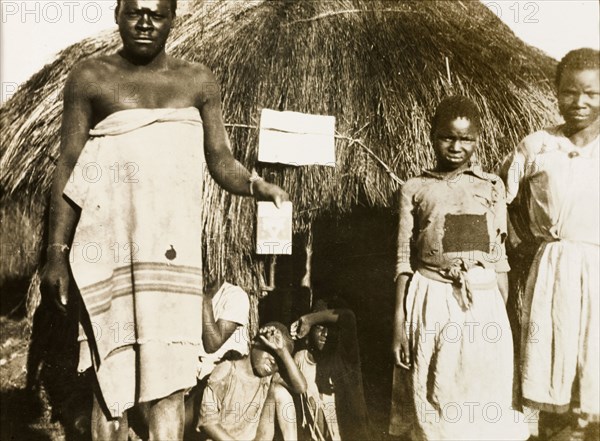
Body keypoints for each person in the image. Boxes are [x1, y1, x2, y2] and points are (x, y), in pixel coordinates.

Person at [39, 0, 288, 439]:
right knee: (108, 378)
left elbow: (220, 159)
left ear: (173, 18)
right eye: (135, 11)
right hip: (110, 254)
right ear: (117, 13)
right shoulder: (91, 78)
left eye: (157, 13)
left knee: (170, 384)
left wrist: (255, 186)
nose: (145, 22)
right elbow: (68, 166)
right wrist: (56, 253)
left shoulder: (197, 81)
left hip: (171, 261)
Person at [390, 96, 529, 440]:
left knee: (481, 390)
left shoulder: (491, 186)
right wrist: (399, 322)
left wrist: (501, 314)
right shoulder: (415, 188)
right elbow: (404, 260)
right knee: (433, 394)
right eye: (447, 137)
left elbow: (498, 258)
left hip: (480, 302)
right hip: (430, 298)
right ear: (432, 136)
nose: (456, 146)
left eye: (465, 138)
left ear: (477, 139)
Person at [501, 48, 599, 440]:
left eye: (592, 93)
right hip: (552, 269)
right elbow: (495, 197)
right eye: (570, 92)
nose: (579, 102)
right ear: (556, 92)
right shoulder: (537, 146)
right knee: (553, 368)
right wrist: (519, 245)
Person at [197, 323, 307, 441]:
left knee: (280, 392)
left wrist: (283, 352)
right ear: (254, 342)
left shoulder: (268, 378)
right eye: (270, 351)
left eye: (279, 359)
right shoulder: (227, 371)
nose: (273, 361)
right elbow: (207, 422)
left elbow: (301, 387)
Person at [289, 298, 370, 441]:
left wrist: (309, 319)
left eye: (330, 329)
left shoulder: (346, 359)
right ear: (309, 331)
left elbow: (348, 317)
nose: (325, 333)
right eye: (319, 327)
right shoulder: (301, 359)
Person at [183, 275, 251, 440]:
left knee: (182, 417)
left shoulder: (235, 296)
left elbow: (212, 342)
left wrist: (204, 299)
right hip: (191, 378)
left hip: (216, 383)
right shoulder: (183, 293)